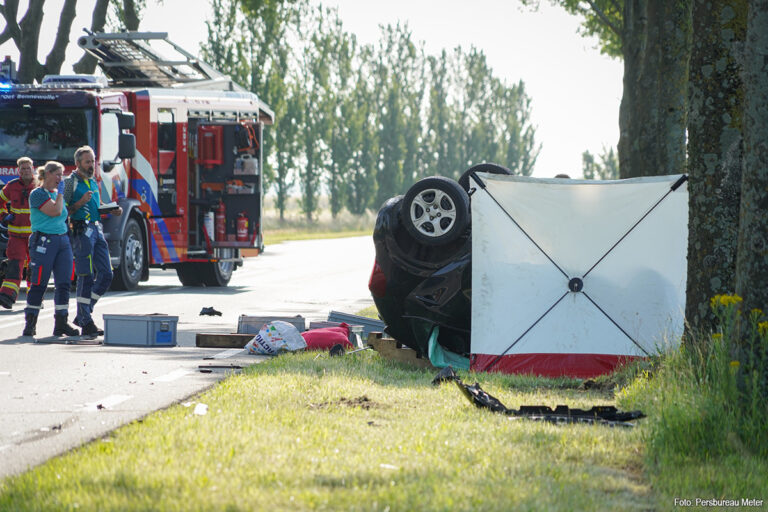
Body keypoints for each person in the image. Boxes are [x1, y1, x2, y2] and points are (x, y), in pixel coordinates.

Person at [62, 146, 122, 337]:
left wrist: (110, 208)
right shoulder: (70, 182)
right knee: (85, 275)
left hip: (97, 229)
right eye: (88, 162)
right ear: (78, 163)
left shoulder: (94, 181)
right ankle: (86, 320)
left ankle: (84, 312)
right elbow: (63, 211)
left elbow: (97, 205)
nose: (92, 165)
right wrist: (79, 203)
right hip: (81, 231)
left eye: (93, 161)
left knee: (106, 274)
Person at [23, 162, 79, 337]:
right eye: (57, 174)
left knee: (64, 283)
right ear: (47, 174)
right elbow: (54, 211)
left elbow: (63, 214)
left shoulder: (56, 194)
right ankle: (30, 323)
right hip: (44, 241)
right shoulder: (37, 194)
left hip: (62, 241)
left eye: (61, 175)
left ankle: (61, 322)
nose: (59, 178)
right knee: (39, 282)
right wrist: (61, 194)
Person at [0, 157, 36, 309]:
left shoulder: (39, 186)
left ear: (33, 169)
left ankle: (34, 299)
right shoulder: (11, 186)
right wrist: (3, 215)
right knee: (15, 265)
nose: (26, 171)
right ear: (18, 171)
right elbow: (0, 200)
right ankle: (7, 296)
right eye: (23, 169)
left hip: (35, 236)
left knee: (35, 268)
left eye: (28, 168)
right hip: (16, 236)